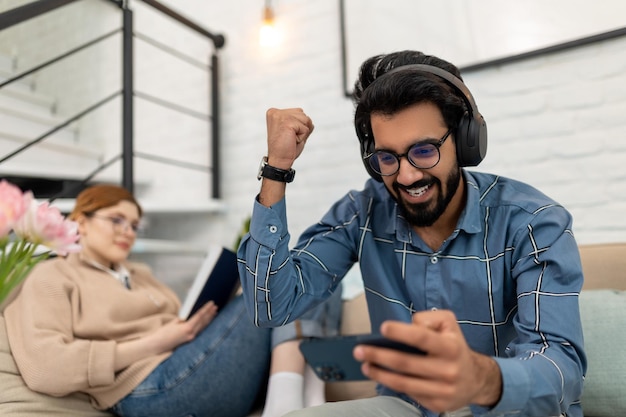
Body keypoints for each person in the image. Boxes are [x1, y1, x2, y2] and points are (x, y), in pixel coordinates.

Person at [237, 50, 586, 417]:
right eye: (387, 158)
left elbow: (562, 369)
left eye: (424, 151)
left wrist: (481, 379)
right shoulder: (362, 212)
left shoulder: (534, 222)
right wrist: (277, 169)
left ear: (466, 140)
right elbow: (269, 307)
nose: (406, 177)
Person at [3, 184, 341, 417]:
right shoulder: (52, 275)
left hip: (188, 361)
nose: (127, 232)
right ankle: (284, 405)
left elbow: (176, 327)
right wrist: (155, 343)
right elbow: (45, 369)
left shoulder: (138, 272)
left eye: (134, 225)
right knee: (282, 279)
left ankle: (309, 399)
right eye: (116, 220)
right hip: (150, 391)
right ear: (81, 222)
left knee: (315, 271)